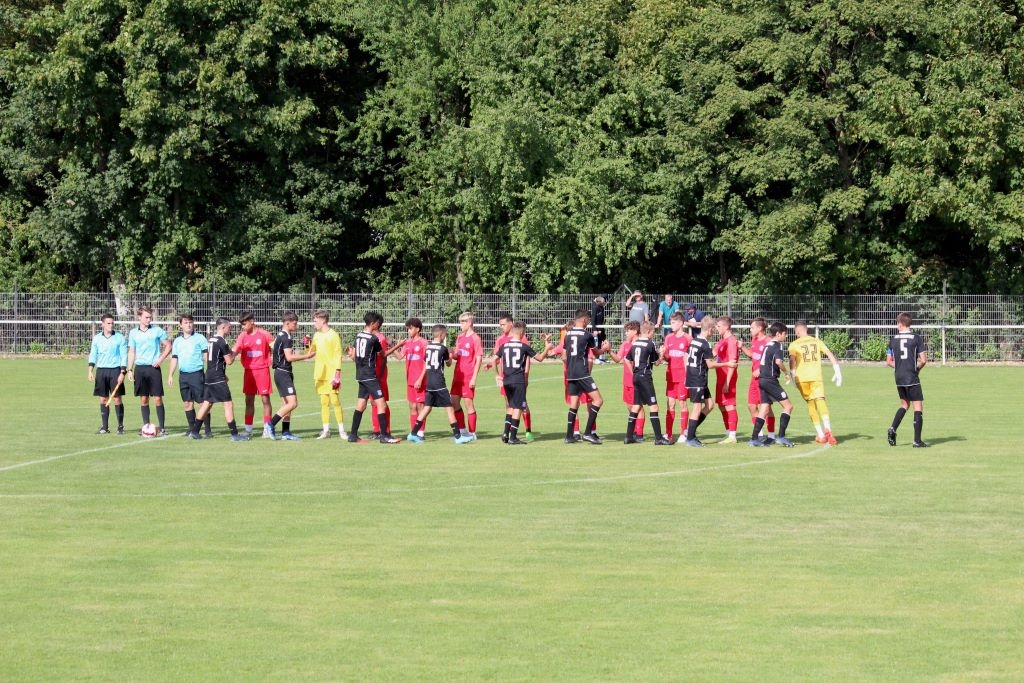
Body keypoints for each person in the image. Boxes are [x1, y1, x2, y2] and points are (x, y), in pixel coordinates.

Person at [680, 317, 737, 447]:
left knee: (710, 405)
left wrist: (688, 372)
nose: (714, 333)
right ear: (710, 330)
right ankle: (690, 437)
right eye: (714, 330)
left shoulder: (695, 341)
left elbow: (685, 356)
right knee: (697, 407)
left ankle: (690, 432)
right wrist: (727, 363)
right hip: (698, 379)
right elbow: (710, 365)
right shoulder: (705, 344)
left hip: (695, 377)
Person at [494, 322, 554, 445]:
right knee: (519, 407)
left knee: (510, 407)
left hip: (506, 380)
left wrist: (497, 374)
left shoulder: (505, 346)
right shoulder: (523, 346)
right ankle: (513, 437)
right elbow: (540, 358)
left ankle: (506, 433)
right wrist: (547, 348)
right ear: (522, 333)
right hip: (518, 381)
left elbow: (494, 359)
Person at [187, 317, 246, 441]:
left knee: (207, 403)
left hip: (209, 375)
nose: (230, 329)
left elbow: (213, 358)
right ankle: (235, 434)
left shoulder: (212, 340)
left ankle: (195, 432)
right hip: (217, 377)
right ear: (223, 327)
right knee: (228, 404)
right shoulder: (222, 341)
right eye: (229, 327)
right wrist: (235, 354)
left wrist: (233, 350)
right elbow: (229, 361)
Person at [788, 319, 842, 445]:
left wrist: (792, 373)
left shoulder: (794, 344)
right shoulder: (817, 341)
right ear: (807, 329)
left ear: (797, 331)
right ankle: (828, 428)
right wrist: (837, 369)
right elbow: (829, 353)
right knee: (821, 401)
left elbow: (792, 359)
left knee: (811, 404)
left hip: (802, 379)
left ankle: (821, 435)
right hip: (816, 376)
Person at [348, 311, 399, 444]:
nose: (378, 325)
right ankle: (384, 436)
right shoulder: (373, 339)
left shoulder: (358, 336)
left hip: (360, 374)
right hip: (370, 375)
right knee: (381, 404)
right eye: (377, 323)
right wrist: (399, 345)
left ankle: (353, 435)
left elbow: (353, 356)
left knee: (361, 404)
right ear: (372, 323)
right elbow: (383, 354)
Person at [406, 324, 463, 443]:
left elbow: (426, 363)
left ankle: (413, 433)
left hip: (429, 382)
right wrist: (451, 355)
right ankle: (458, 437)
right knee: (449, 408)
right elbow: (448, 364)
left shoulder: (428, 347)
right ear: (441, 335)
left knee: (427, 408)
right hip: (439, 383)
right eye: (445, 334)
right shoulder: (443, 349)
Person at [563, 309, 611, 444]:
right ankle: (588, 433)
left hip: (571, 373)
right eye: (588, 321)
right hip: (582, 373)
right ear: (584, 320)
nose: (589, 323)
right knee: (598, 400)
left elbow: (565, 355)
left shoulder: (568, 335)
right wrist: (605, 349)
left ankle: (569, 435)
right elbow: (596, 353)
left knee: (574, 404)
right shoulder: (586, 335)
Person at [266, 311, 315, 440]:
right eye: (295, 323)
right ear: (287, 323)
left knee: (286, 405)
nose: (296, 325)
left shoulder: (280, 335)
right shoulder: (286, 338)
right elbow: (289, 357)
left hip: (280, 372)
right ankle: (270, 424)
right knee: (293, 403)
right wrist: (307, 356)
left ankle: (285, 432)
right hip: (283, 373)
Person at [487, 312, 535, 441]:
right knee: (511, 405)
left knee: (522, 405)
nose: (501, 327)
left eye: (503, 324)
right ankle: (511, 435)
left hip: (515, 377)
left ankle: (527, 430)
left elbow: (527, 360)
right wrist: (492, 368)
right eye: (500, 325)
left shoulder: (521, 338)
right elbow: (497, 359)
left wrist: (526, 376)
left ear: (510, 324)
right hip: (509, 377)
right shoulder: (500, 339)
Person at [623, 322, 673, 445]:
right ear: (650, 332)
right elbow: (656, 363)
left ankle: (628, 436)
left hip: (636, 377)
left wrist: (634, 372)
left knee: (636, 406)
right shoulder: (649, 344)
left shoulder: (635, 344)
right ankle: (658, 438)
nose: (654, 335)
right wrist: (661, 353)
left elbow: (626, 359)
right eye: (654, 332)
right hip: (645, 378)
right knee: (654, 406)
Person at [749, 322, 796, 447]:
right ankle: (781, 437)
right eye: (785, 334)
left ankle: (754, 439)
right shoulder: (777, 345)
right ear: (778, 334)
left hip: (762, 380)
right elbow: (779, 361)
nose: (785, 337)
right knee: (788, 406)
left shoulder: (767, 345)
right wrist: (786, 372)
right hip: (770, 380)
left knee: (764, 408)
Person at [126, 305, 171, 436]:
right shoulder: (133, 333)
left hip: (153, 369)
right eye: (146, 317)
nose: (149, 320)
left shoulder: (157, 331)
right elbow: (132, 351)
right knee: (144, 399)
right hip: (140, 369)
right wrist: (129, 369)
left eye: (150, 317)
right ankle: (146, 426)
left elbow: (168, 345)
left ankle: (162, 428)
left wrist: (161, 359)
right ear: (139, 317)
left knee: (157, 398)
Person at [886, 312, 928, 447]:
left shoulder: (893, 339)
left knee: (904, 405)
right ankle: (917, 441)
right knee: (918, 407)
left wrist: (900, 367)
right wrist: (917, 369)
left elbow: (889, 361)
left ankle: (892, 428)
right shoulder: (916, 338)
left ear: (900, 324)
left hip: (899, 377)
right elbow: (923, 360)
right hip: (911, 376)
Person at [167, 313, 211, 438]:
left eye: (190, 322)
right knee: (187, 403)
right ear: (181, 325)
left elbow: (206, 357)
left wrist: (209, 372)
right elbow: (174, 358)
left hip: (197, 375)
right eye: (185, 322)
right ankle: (192, 429)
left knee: (202, 403)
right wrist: (170, 375)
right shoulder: (177, 341)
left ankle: (208, 430)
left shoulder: (200, 338)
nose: (189, 325)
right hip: (183, 376)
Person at [232, 311, 274, 438]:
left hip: (262, 370)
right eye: (242, 325)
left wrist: (272, 360)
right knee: (248, 400)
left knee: (265, 399)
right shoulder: (242, 336)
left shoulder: (265, 334)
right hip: (249, 372)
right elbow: (235, 350)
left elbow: (276, 347)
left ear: (252, 321)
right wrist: (229, 356)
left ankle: (267, 428)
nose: (243, 327)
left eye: (244, 324)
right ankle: (248, 430)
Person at [309, 309, 347, 439]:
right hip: (320, 373)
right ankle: (326, 430)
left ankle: (342, 430)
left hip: (331, 374)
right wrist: (307, 344)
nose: (314, 323)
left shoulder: (333, 335)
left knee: (335, 401)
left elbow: (338, 354)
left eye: (315, 320)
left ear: (323, 320)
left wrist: (337, 372)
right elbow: (311, 351)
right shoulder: (316, 335)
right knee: (324, 402)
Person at [87, 313, 128, 435]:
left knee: (116, 398)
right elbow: (93, 354)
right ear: (103, 324)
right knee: (103, 399)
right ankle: (105, 427)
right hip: (101, 371)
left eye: (112, 323)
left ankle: (120, 427)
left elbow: (123, 355)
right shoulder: (97, 338)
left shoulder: (120, 338)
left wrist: (122, 372)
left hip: (115, 370)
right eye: (108, 323)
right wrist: (90, 370)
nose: (111, 325)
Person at [391, 317, 429, 440]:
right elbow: (399, 357)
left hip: (420, 380)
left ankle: (421, 433)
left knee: (420, 407)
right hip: (410, 380)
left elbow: (427, 363)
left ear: (418, 329)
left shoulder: (424, 343)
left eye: (410, 328)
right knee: (412, 407)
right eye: (408, 328)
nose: (408, 331)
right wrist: (394, 346)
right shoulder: (407, 343)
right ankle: (414, 432)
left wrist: (420, 379)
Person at [740, 317, 777, 442]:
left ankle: (771, 435)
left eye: (752, 327)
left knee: (766, 408)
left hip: (765, 379)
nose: (750, 329)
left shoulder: (769, 341)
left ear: (760, 328)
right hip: (754, 379)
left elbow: (773, 362)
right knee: (751, 405)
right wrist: (742, 347)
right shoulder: (754, 339)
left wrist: (760, 370)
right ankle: (760, 434)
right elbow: (752, 355)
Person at [608, 321, 645, 441]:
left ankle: (639, 434)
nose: (626, 333)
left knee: (638, 407)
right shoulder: (625, 345)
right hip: (627, 382)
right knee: (630, 406)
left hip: (638, 381)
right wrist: (609, 351)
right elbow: (618, 359)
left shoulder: (642, 344)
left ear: (635, 331)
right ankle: (634, 431)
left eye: (628, 330)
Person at [451, 312, 484, 442]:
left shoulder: (476, 338)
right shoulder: (460, 337)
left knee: (468, 403)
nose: (461, 324)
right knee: (454, 402)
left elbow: (479, 358)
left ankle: (472, 432)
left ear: (469, 323)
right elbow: (456, 355)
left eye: (463, 321)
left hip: (468, 376)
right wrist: (449, 353)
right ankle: (462, 430)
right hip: (457, 375)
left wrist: (474, 377)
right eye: (460, 321)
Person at [660, 311, 690, 442]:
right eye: (670, 322)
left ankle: (684, 433)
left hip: (683, 377)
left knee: (682, 403)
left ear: (681, 323)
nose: (670, 325)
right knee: (670, 405)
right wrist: (662, 354)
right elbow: (667, 358)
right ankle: (668, 434)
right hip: (671, 376)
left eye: (673, 323)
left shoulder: (688, 339)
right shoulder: (668, 338)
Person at [714, 316, 741, 444]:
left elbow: (732, 363)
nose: (716, 328)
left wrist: (727, 382)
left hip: (727, 378)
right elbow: (712, 354)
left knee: (729, 405)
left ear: (726, 327)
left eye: (718, 326)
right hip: (720, 377)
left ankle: (732, 435)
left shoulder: (731, 341)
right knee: (721, 405)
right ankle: (728, 433)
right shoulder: (721, 341)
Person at [589, 296, 608, 362]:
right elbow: (593, 320)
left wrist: (601, 328)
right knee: (596, 343)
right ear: (598, 302)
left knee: (603, 341)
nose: (604, 303)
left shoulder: (602, 307)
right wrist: (595, 330)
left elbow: (601, 318)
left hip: (601, 327)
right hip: (596, 329)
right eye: (603, 302)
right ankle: (596, 359)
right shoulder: (595, 308)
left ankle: (602, 357)